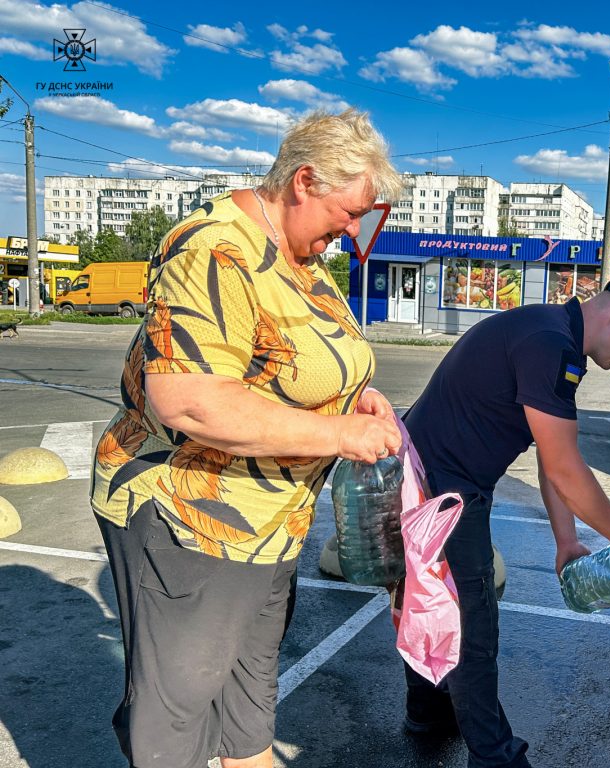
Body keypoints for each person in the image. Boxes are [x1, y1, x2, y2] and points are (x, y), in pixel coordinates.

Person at [91, 109, 403, 768]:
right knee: (176, 709)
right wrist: (338, 433)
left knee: (249, 698)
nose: (353, 232)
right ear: (304, 181)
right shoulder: (214, 246)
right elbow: (191, 402)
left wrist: (354, 397)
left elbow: (286, 363)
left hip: (271, 526)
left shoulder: (303, 259)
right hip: (195, 521)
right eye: (349, 213)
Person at [401, 272, 610, 768]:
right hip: (442, 490)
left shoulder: (554, 336)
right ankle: (495, 756)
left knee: (438, 605)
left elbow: (554, 454)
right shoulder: (550, 343)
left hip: (431, 480)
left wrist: (566, 539)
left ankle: (428, 712)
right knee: (473, 623)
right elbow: (563, 467)